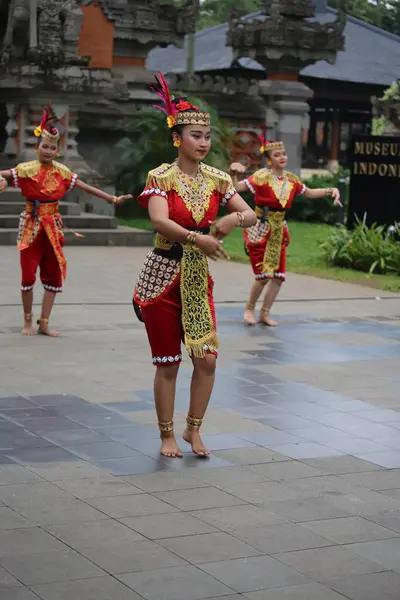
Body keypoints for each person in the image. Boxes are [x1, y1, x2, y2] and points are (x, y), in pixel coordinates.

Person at [133, 73, 256, 458]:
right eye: (195, 136)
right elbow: (158, 220)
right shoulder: (161, 177)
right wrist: (196, 237)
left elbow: (250, 214)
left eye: (206, 137)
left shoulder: (219, 180)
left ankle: (193, 429)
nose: (203, 143)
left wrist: (230, 221)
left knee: (207, 360)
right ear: (178, 139)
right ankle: (166, 434)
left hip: (197, 280)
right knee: (168, 362)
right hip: (163, 275)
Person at [0, 105, 132, 337]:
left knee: (53, 274)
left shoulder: (62, 172)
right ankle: (28, 321)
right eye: (45, 146)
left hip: (53, 227)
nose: (49, 151)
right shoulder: (25, 170)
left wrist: (112, 199)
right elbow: (3, 175)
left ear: (58, 150)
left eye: (53, 147)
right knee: (28, 276)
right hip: (31, 225)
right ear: (37, 147)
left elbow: (86, 187)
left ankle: (45, 322)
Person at [230, 130, 342, 327]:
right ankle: (249, 308)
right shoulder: (260, 177)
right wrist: (233, 173)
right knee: (263, 275)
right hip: (259, 226)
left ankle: (265, 313)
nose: (282, 157)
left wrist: (330, 190)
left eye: (283, 154)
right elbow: (235, 189)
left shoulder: (292, 179)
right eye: (276, 155)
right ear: (269, 160)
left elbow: (309, 192)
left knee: (279, 276)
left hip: (279, 228)